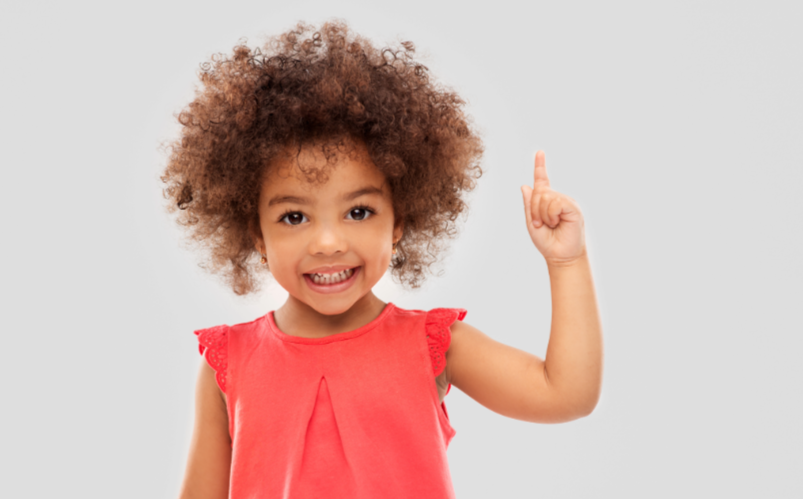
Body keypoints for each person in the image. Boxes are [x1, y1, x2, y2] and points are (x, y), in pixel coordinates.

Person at [162, 21, 603, 499]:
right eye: (294, 217)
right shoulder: (229, 362)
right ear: (257, 235)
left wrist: (567, 263)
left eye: (358, 211)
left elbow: (566, 394)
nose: (327, 242)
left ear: (398, 223)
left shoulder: (434, 345)